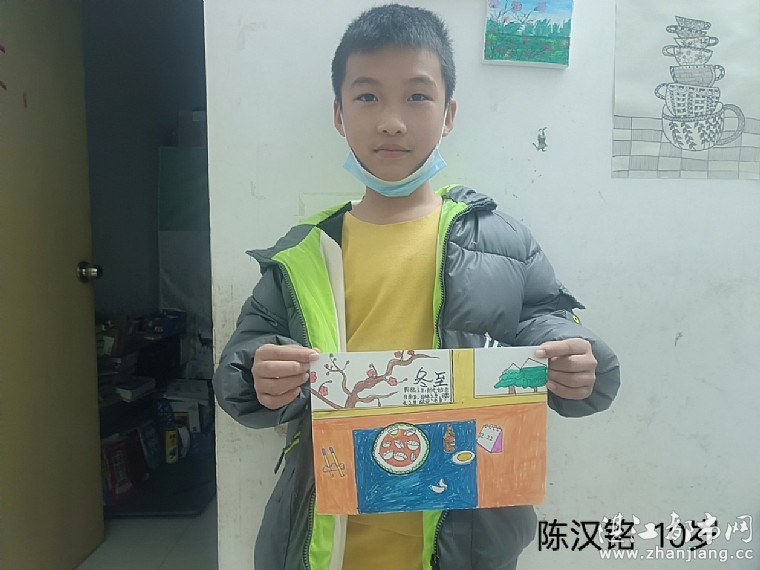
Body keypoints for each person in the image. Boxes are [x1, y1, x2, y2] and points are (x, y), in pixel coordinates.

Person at [213, 4, 620, 570]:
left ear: (448, 114)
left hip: (466, 542)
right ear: (338, 115)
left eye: (417, 96)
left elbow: (542, 320)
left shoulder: (502, 241)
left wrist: (577, 361)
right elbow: (245, 356)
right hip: (326, 541)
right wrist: (259, 375)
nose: (391, 121)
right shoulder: (302, 253)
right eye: (367, 96)